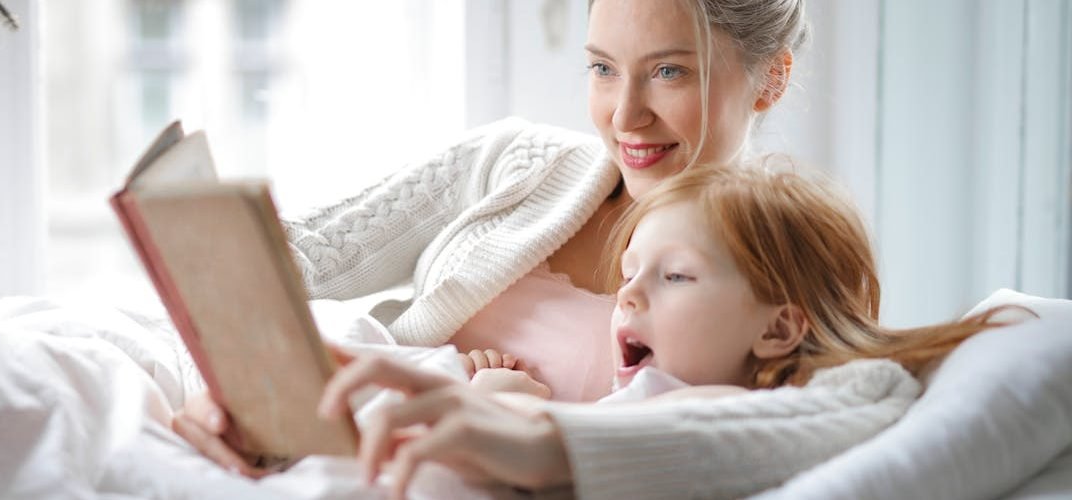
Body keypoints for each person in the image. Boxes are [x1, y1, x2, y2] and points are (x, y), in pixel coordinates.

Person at [174, 0, 806, 481]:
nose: (623, 115)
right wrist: (239, 386)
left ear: (771, 80)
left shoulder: (782, 277)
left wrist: (519, 428)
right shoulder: (517, 161)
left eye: (669, 71)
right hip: (332, 445)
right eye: (603, 69)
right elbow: (288, 266)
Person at [316, 163, 1024, 499]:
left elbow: (650, 444)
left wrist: (516, 408)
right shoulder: (657, 393)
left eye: (674, 276)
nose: (626, 293)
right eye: (629, 271)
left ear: (779, 329)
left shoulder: (725, 405)